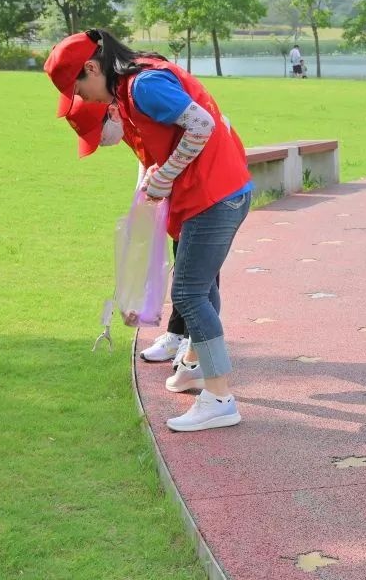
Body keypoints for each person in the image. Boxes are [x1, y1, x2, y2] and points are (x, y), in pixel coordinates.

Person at [45, 29, 253, 432]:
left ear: (92, 69)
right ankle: (195, 365)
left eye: (78, 88)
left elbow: (201, 124)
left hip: (215, 194)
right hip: (213, 193)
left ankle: (220, 399)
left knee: (189, 292)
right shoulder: (130, 87)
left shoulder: (143, 85)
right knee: (200, 287)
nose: (83, 98)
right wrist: (160, 172)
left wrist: (167, 173)